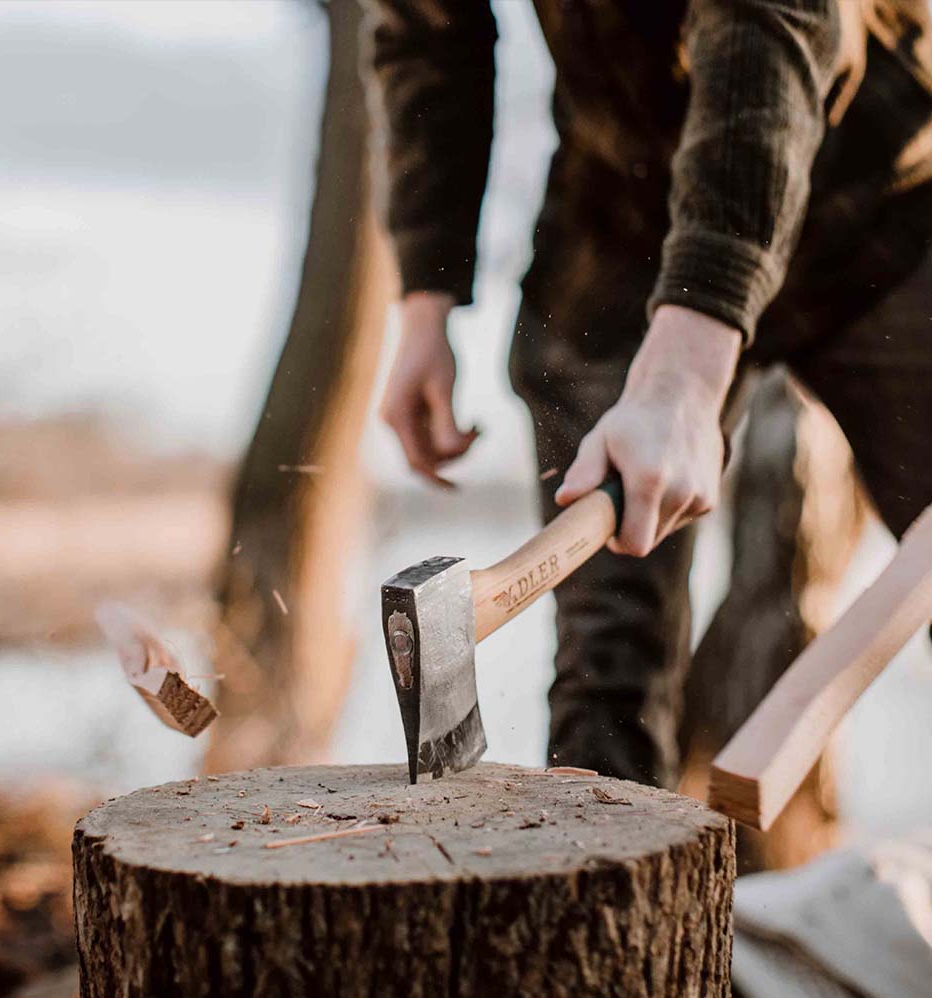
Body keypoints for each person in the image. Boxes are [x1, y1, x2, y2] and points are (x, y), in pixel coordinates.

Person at [363, 0, 932, 787]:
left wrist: (688, 365)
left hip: (877, 194)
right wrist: (426, 297)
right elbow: (428, 31)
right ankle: (604, 860)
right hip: (624, 217)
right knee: (605, 674)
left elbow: (768, 16)